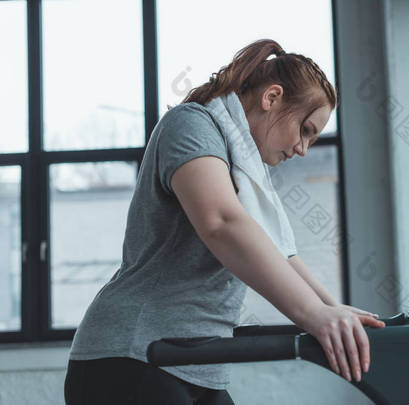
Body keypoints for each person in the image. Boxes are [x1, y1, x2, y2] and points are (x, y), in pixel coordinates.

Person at [64, 39, 385, 405]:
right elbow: (221, 223)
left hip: (193, 363)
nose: (302, 148)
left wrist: (332, 309)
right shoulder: (191, 124)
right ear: (272, 97)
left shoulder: (244, 166)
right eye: (305, 129)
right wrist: (314, 316)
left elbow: (280, 254)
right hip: (130, 356)